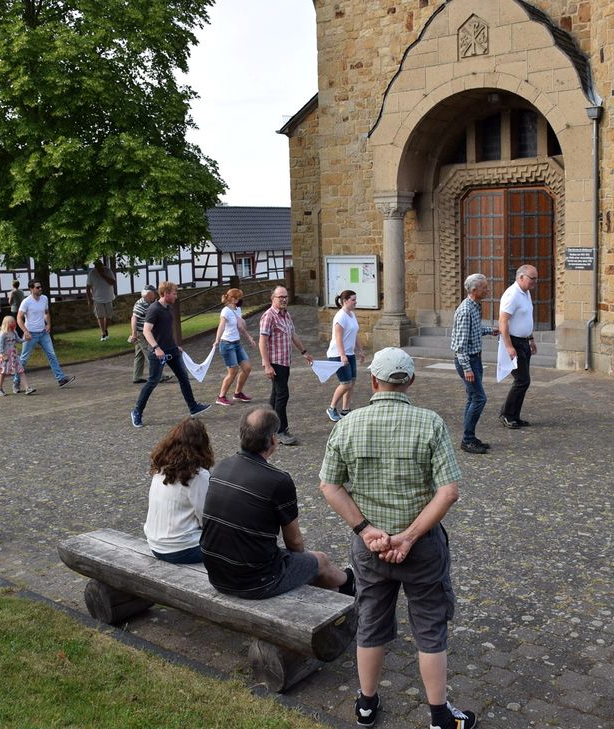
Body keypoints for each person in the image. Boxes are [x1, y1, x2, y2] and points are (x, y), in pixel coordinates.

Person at [319, 347, 476, 729]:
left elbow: (330, 485)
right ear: (410, 382)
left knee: (370, 620)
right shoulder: (431, 423)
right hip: (421, 548)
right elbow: (448, 491)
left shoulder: (348, 424)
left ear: (373, 381)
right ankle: (440, 716)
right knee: (429, 627)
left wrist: (366, 529)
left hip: (370, 549)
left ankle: (367, 705)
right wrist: (407, 537)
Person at [200, 406, 354, 599]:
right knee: (320, 561)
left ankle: (341, 589)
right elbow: (294, 542)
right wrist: (300, 564)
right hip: (255, 581)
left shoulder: (222, 467)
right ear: (273, 439)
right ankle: (350, 584)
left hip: (217, 574)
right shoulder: (278, 480)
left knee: (318, 577)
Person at [130, 281, 210, 428]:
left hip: (171, 350)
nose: (176, 296)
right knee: (153, 381)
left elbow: (165, 331)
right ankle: (137, 411)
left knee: (183, 377)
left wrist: (175, 346)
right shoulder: (154, 309)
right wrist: (156, 348)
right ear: (166, 294)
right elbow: (147, 331)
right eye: (174, 293)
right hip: (157, 353)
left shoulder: (169, 308)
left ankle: (193, 407)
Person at [143, 418, 214, 564]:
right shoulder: (198, 475)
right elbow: (206, 518)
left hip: (155, 545)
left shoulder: (161, 468)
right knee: (235, 542)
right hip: (183, 549)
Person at [450, 274, 500, 453]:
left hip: (475, 358)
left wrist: (490, 331)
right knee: (479, 398)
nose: (488, 290)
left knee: (472, 398)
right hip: (468, 360)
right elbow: (461, 344)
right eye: (485, 287)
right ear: (474, 291)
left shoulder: (474, 306)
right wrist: (467, 368)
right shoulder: (465, 310)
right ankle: (467, 439)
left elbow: (474, 330)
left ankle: (469, 436)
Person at [258, 286, 313, 445]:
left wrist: (304, 352)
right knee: (282, 395)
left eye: (285, 297)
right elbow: (262, 343)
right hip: (275, 363)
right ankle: (281, 431)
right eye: (280, 297)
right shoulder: (269, 317)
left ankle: (268, 427)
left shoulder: (286, 314)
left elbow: (293, 334)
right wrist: (267, 365)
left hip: (285, 362)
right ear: (272, 298)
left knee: (276, 395)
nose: (283, 299)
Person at [14, 279, 75, 391]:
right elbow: (19, 318)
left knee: (52, 355)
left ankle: (61, 379)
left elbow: (46, 313)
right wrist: (25, 331)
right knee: (23, 359)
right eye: (37, 287)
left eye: (40, 287)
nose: (40, 289)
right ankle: (16, 382)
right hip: (30, 334)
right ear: (31, 289)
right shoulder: (26, 302)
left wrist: (48, 324)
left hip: (43, 333)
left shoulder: (44, 298)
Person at [498, 264, 538, 429]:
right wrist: (508, 346)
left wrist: (531, 339)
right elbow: (503, 321)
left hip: (524, 342)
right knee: (522, 380)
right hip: (513, 341)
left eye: (536, 278)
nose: (535, 282)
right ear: (521, 277)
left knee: (523, 381)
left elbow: (525, 318)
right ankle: (506, 414)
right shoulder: (512, 294)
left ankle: (515, 415)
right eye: (532, 278)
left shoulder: (525, 292)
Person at [325, 289, 365, 422]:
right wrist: (342, 355)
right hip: (338, 354)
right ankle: (331, 408)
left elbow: (354, 334)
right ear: (345, 301)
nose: (355, 302)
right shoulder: (340, 316)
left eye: (355, 299)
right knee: (346, 383)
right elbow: (338, 338)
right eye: (353, 300)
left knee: (351, 383)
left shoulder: (352, 315)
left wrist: (360, 350)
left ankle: (345, 410)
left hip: (349, 353)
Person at [213, 288, 257, 406]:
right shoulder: (225, 311)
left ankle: (238, 393)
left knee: (247, 368)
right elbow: (221, 326)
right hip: (227, 344)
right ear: (233, 299)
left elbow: (240, 328)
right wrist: (217, 340)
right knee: (233, 372)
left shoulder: (238, 310)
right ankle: (221, 397)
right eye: (239, 298)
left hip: (237, 343)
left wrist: (249, 338)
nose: (241, 300)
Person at [128, 285, 171, 384]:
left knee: (139, 355)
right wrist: (134, 334)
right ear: (148, 294)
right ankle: (159, 376)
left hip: (144, 332)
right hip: (142, 333)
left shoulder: (151, 302)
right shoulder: (140, 304)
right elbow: (134, 319)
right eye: (153, 294)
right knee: (150, 354)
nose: (154, 295)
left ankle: (137, 376)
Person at [0, 315, 34, 396]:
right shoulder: (2, 334)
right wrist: (2, 354)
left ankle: (27, 388)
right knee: (3, 372)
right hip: (6, 356)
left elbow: (18, 340)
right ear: (6, 323)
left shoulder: (14, 332)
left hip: (14, 355)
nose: (13, 323)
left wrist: (25, 339)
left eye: (13, 322)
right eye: (11, 322)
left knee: (21, 371)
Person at [86, 259, 117, 341]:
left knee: (109, 316)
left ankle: (106, 329)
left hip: (108, 297)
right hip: (97, 299)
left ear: (102, 265)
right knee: (100, 316)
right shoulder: (92, 273)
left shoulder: (108, 271)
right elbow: (88, 287)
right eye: (97, 267)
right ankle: (103, 333)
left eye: (100, 266)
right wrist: (89, 299)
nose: (99, 268)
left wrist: (103, 276)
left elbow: (113, 282)